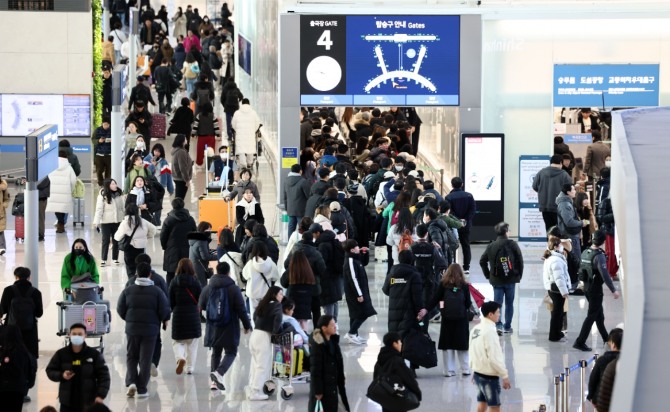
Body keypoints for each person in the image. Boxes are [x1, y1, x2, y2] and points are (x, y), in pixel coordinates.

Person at [117, 262, 171, 398]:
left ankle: (131, 382)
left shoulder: (128, 290)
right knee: (145, 359)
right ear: (150, 274)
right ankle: (142, 389)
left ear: (137, 273)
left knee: (131, 356)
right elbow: (164, 310)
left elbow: (120, 309)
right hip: (150, 330)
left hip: (132, 329)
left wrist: (129, 319)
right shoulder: (157, 292)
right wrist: (160, 320)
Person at [202, 262, 253, 392]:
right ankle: (219, 373)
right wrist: (247, 325)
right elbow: (241, 309)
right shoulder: (233, 288)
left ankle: (214, 382)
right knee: (231, 352)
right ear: (228, 272)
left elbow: (201, 305)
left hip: (213, 325)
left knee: (216, 352)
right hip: (229, 326)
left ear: (216, 271)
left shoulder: (208, 288)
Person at [572, 230, 621, 352]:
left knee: (599, 315)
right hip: (596, 290)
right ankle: (580, 341)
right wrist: (613, 290)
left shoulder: (586, 252)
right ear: (603, 242)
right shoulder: (599, 256)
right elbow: (605, 275)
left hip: (587, 288)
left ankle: (606, 339)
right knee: (592, 316)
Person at [45, 323, 110, 411]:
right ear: (69, 335)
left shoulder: (94, 355)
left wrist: (100, 395)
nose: (77, 336)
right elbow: (50, 370)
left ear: (85, 335)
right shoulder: (61, 354)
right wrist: (61, 375)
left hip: (88, 402)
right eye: (74, 334)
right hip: (66, 402)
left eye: (80, 334)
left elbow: (104, 377)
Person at [426, 264, 472, 377]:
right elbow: (467, 303)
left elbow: (435, 299)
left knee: (448, 345)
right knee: (462, 344)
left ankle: (449, 371)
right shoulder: (464, 285)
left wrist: (426, 310)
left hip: (447, 318)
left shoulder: (443, 284)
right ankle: (465, 368)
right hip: (461, 319)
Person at [479, 222, 524, 335]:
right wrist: (518, 276)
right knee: (509, 303)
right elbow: (520, 261)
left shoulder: (491, 246)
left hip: (496, 280)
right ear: (506, 232)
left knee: (497, 304)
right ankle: (507, 327)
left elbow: (482, 261)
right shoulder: (512, 244)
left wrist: (488, 275)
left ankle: (498, 325)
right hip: (511, 279)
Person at [469, 301, 511, 412]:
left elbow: (473, 351)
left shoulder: (476, 329)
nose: (499, 314)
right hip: (489, 377)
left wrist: (474, 370)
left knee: (482, 405)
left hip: (478, 374)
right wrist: (505, 375)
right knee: (494, 407)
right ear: (490, 314)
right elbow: (494, 357)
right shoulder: (490, 332)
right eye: (498, 312)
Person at [383, 249, 426, 346]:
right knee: (408, 343)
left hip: (393, 313)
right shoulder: (415, 275)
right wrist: (420, 312)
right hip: (409, 314)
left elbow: (385, 290)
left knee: (395, 342)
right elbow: (417, 297)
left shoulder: (392, 273)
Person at [248, 286, 284, 401]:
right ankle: (255, 392)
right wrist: (275, 333)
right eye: (280, 294)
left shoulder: (263, 304)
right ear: (274, 295)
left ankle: (252, 388)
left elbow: (254, 317)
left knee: (255, 364)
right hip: (264, 336)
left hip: (255, 335)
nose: (282, 296)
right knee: (262, 366)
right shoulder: (277, 305)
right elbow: (278, 319)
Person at [309, 315, 349, 412]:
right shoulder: (318, 346)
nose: (335, 327)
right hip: (324, 388)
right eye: (332, 325)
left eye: (335, 324)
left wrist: (341, 376)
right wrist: (318, 390)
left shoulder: (333, 342)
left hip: (334, 385)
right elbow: (315, 370)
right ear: (324, 328)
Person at [373, 332, 422, 412]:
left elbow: (375, 377)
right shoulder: (397, 361)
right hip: (397, 397)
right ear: (394, 344)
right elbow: (409, 379)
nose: (401, 344)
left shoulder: (380, 359)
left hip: (384, 396)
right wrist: (417, 393)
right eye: (399, 342)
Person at [0, 267, 43, 359]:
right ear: (29, 277)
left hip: (11, 330)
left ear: (16, 277)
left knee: (11, 358)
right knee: (29, 358)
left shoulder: (8, 290)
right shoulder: (36, 292)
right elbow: (39, 313)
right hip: (30, 331)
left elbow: (2, 310)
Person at [168, 258, 202, 375]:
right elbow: (200, 299)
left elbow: (170, 301)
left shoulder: (174, 282)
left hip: (179, 315)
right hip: (193, 315)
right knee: (192, 344)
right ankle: (190, 368)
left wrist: (174, 310)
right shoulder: (195, 282)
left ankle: (180, 357)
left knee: (177, 341)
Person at [343, 239, 377, 345]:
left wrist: (364, 253)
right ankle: (352, 333)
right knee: (363, 313)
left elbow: (363, 263)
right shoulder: (350, 261)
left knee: (355, 314)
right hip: (355, 293)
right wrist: (359, 294)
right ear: (352, 250)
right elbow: (353, 278)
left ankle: (354, 335)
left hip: (361, 290)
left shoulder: (355, 258)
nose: (359, 247)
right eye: (357, 247)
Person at [557, 183, 590, 288]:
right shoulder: (565, 204)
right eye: (573, 190)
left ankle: (573, 284)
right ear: (568, 192)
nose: (575, 191)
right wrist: (582, 223)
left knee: (574, 259)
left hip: (571, 233)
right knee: (574, 259)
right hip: (570, 234)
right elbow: (569, 222)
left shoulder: (567, 202)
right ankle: (573, 285)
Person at [161, 197, 198, 285]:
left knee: (170, 273)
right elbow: (195, 234)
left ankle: (170, 293)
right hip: (187, 250)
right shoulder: (190, 219)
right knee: (186, 271)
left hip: (172, 250)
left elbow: (163, 236)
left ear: (172, 205)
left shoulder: (169, 220)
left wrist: (164, 246)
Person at [0, 324, 37, 411]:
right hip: (19, 388)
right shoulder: (24, 350)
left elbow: (12, 371)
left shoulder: (11, 351)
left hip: (8, 389)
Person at [114, 204, 157, 278]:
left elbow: (117, 237)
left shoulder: (125, 222)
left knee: (130, 270)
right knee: (141, 269)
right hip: (141, 249)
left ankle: (132, 285)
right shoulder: (143, 221)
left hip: (129, 249)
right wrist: (146, 236)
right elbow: (153, 229)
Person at [533, 154, 573, 232]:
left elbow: (535, 186)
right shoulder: (564, 174)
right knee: (560, 230)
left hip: (545, 206)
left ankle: (550, 244)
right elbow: (570, 189)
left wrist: (543, 191)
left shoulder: (541, 173)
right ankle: (558, 244)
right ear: (561, 163)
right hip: (560, 207)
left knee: (549, 230)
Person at [445, 177, 476, 274]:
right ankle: (466, 267)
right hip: (466, 225)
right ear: (462, 184)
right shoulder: (469, 196)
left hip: (453, 225)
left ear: (451, 185)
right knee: (466, 245)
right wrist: (465, 220)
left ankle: (452, 265)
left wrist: (457, 220)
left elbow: (449, 212)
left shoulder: (449, 197)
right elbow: (472, 210)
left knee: (452, 244)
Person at [543, 237, 571, 342]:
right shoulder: (556, 260)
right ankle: (554, 336)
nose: (562, 246)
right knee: (557, 313)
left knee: (557, 313)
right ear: (555, 246)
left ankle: (557, 333)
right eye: (560, 244)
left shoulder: (551, 256)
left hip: (553, 289)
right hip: (557, 290)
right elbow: (559, 278)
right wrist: (564, 292)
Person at [587, 328, 622, 409]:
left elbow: (593, 380)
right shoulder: (627, 360)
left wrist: (591, 396)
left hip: (601, 400)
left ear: (613, 345)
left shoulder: (602, 360)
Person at [282, 250, 317, 330]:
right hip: (306, 301)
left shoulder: (291, 271)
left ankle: (296, 340)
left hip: (293, 300)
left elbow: (283, 282)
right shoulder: (308, 270)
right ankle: (305, 340)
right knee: (304, 323)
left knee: (294, 324)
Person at [242, 241, 279, 315]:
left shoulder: (250, 264)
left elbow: (245, 276)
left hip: (253, 293)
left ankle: (255, 326)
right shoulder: (271, 263)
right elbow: (275, 277)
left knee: (254, 314)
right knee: (265, 314)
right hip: (266, 293)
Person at [93, 179, 125, 266]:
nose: (115, 185)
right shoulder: (102, 195)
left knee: (116, 240)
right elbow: (99, 209)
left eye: (115, 183)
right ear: (108, 185)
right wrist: (96, 222)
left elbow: (123, 208)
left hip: (118, 221)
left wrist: (125, 218)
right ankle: (103, 259)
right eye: (113, 184)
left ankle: (115, 258)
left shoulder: (119, 194)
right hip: (106, 222)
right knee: (105, 240)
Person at [46, 150, 77, 233]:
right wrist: (71, 189)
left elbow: (47, 178)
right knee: (63, 208)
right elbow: (73, 180)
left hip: (53, 190)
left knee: (57, 207)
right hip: (65, 191)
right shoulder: (69, 167)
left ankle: (60, 223)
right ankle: (61, 223)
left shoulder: (52, 166)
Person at [231, 98, 261, 169]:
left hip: (240, 134)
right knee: (250, 147)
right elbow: (257, 123)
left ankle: (243, 163)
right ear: (249, 104)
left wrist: (237, 130)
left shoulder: (237, 113)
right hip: (250, 133)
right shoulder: (253, 113)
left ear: (242, 104)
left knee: (241, 149)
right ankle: (250, 163)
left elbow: (233, 124)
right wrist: (254, 130)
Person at [284, 164, 311, 236]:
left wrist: (287, 208)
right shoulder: (303, 181)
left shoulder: (286, 181)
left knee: (291, 227)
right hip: (301, 210)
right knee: (302, 227)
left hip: (290, 209)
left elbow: (285, 196)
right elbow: (308, 195)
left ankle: (290, 243)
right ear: (300, 171)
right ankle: (303, 243)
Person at [188, 221, 217, 287]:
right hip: (199, 268)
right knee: (202, 286)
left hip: (194, 265)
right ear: (203, 230)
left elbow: (203, 251)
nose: (210, 231)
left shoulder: (195, 238)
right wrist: (218, 256)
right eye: (209, 229)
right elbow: (205, 257)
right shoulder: (202, 241)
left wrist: (213, 252)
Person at [191, 102, 220, 167]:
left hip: (201, 137)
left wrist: (193, 134)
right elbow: (216, 126)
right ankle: (210, 164)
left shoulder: (199, 115)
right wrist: (218, 135)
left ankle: (199, 164)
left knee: (200, 152)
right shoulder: (213, 116)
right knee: (210, 151)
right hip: (211, 137)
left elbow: (195, 126)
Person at [91, 115, 112, 187]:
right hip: (99, 154)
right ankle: (100, 183)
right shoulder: (97, 130)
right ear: (102, 124)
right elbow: (93, 140)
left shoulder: (112, 131)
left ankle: (107, 184)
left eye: (107, 124)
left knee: (108, 170)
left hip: (109, 154)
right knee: (99, 170)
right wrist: (98, 141)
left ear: (109, 124)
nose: (106, 126)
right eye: (104, 124)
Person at [171, 134, 194, 200]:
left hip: (177, 178)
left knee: (178, 197)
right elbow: (182, 167)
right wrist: (187, 180)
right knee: (179, 199)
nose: (187, 140)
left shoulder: (177, 150)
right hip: (182, 179)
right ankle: (177, 209)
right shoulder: (181, 152)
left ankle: (177, 209)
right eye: (185, 139)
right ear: (182, 141)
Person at [0, 176, 9, 254]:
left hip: (0, 211)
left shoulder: (2, 186)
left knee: (0, 230)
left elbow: (6, 198)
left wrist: (3, 205)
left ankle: (2, 247)